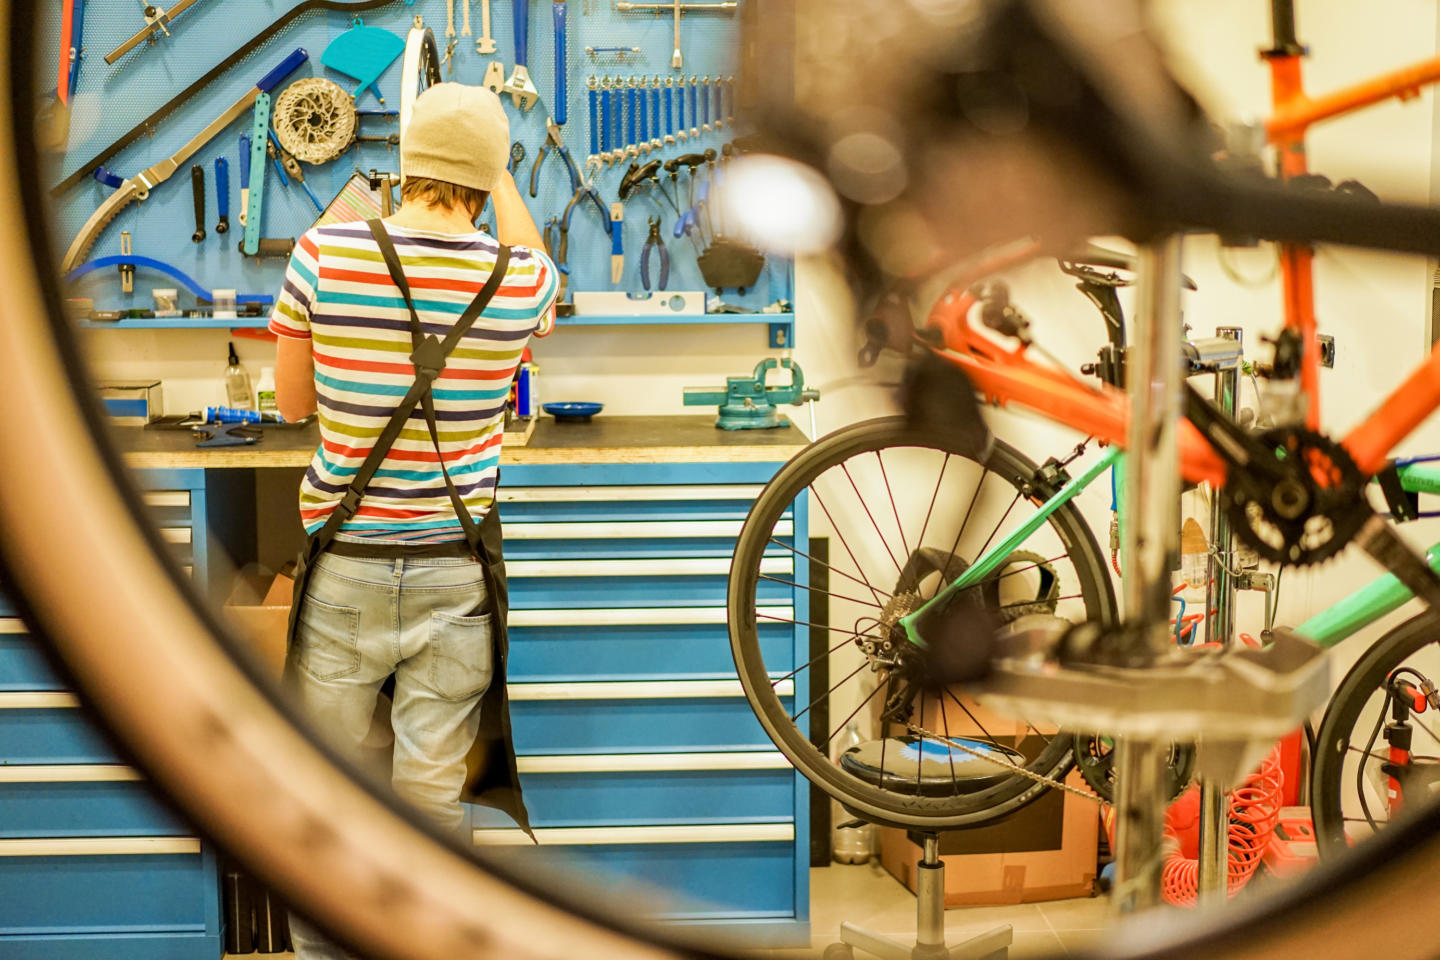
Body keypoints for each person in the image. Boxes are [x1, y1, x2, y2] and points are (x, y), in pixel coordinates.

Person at [269, 83, 558, 960]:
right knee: (430, 800)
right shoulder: (519, 280)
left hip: (347, 569)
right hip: (456, 576)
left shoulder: (322, 253)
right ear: (488, 176)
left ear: (403, 163)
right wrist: (502, 176)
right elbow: (534, 257)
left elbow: (289, 406)